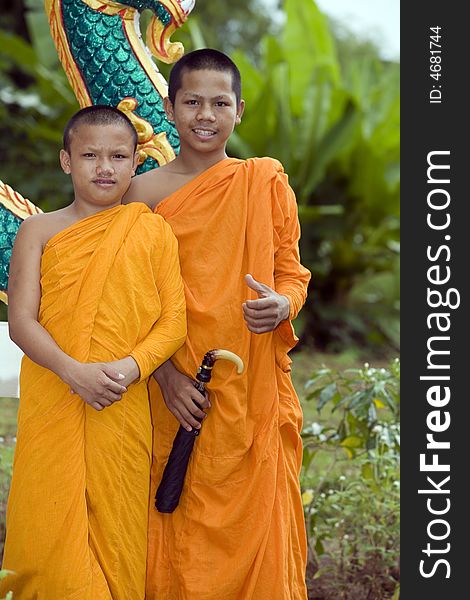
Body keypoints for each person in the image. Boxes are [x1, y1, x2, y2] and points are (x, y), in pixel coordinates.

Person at [124, 49, 311, 599]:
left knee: (257, 517)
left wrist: (282, 304)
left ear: (239, 110)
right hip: (174, 385)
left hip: (251, 387)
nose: (206, 114)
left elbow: (290, 271)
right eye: (192, 101)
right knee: (173, 512)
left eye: (219, 103)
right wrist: (164, 377)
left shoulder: (263, 182)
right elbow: (127, 302)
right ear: (170, 106)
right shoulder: (141, 193)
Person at [0, 105, 187, 599]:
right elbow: (21, 322)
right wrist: (72, 372)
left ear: (134, 164)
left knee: (118, 529)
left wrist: (133, 366)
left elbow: (173, 322)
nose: (104, 167)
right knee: (48, 522)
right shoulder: (38, 231)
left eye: (117, 156)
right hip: (56, 395)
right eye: (89, 155)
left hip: (121, 401)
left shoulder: (151, 230)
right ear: (66, 161)